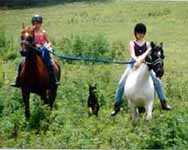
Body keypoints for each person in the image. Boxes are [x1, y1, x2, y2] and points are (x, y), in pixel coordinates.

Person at [111, 23, 172, 116]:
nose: (141, 34)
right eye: (139, 33)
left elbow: (148, 55)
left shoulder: (147, 44)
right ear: (135, 33)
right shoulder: (132, 43)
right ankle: (116, 105)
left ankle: (163, 102)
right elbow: (132, 55)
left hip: (145, 64)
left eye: (142, 33)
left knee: (157, 81)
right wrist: (137, 61)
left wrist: (142, 61)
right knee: (121, 82)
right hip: (133, 64)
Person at [11, 15, 59, 88]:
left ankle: (53, 79)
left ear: (40, 23)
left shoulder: (43, 32)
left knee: (50, 62)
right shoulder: (31, 32)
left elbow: (49, 42)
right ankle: (17, 80)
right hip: (33, 50)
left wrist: (47, 46)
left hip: (43, 50)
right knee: (22, 62)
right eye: (34, 23)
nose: (36, 25)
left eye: (38, 23)